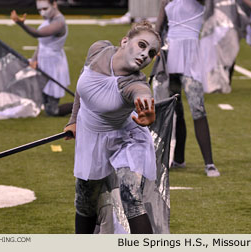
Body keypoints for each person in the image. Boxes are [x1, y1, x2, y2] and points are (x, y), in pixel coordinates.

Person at [64, 21, 161, 234]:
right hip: (91, 136)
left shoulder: (134, 83)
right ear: (125, 41)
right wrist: (73, 120)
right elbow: (83, 85)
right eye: (142, 45)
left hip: (125, 138)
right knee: (85, 201)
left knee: (131, 197)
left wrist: (147, 107)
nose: (145, 54)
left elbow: (142, 94)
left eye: (151, 52)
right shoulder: (98, 49)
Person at [155, 0, 220, 177]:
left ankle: (209, 164)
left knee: (197, 108)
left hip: (191, 55)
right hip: (170, 54)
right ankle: (178, 158)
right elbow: (158, 28)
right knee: (174, 109)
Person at [11, 0, 73, 116]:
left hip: (54, 64)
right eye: (39, 10)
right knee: (42, 99)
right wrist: (34, 59)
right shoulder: (49, 19)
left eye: (45, 8)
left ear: (54, 4)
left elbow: (38, 34)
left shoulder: (59, 22)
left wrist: (21, 24)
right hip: (43, 61)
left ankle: (80, 106)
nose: (42, 12)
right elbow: (42, 43)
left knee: (52, 111)